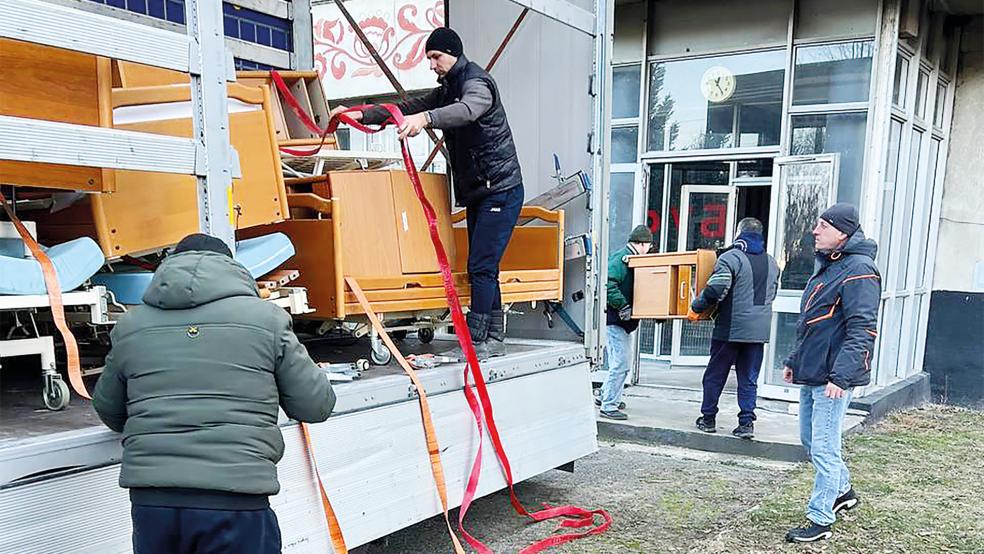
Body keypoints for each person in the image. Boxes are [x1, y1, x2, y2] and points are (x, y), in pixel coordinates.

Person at [92, 233, 336, 554]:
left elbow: (108, 408)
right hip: (236, 497)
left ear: (167, 269)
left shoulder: (131, 325)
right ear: (232, 268)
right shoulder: (267, 320)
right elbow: (316, 405)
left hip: (154, 504)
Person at [331, 27, 523, 359]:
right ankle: (493, 338)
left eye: (436, 57)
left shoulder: (477, 84)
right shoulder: (448, 89)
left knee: (481, 266)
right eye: (430, 58)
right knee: (485, 268)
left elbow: (468, 110)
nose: (432, 64)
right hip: (482, 191)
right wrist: (359, 114)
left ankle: (478, 342)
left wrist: (427, 118)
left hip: (501, 189)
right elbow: (406, 107)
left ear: (453, 53)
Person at [782, 203, 880, 543]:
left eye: (823, 226)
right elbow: (811, 322)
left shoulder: (860, 270)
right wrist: (794, 360)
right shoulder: (829, 265)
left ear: (843, 232)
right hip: (813, 370)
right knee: (811, 441)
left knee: (824, 448)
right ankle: (843, 490)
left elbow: (862, 329)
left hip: (833, 378)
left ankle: (820, 518)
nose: (815, 230)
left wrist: (841, 376)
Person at [689, 217, 779, 439]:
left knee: (715, 375)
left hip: (730, 329)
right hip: (758, 332)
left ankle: (708, 419)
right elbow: (773, 293)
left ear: (739, 233)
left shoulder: (731, 258)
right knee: (748, 378)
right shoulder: (772, 262)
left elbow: (715, 290)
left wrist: (696, 307)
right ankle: (746, 423)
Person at [598, 225, 653, 420]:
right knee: (621, 363)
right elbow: (607, 284)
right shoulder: (623, 259)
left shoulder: (630, 258)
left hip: (620, 321)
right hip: (615, 321)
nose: (649, 249)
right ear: (642, 244)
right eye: (649, 245)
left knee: (619, 362)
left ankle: (606, 395)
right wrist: (622, 305)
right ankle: (608, 405)